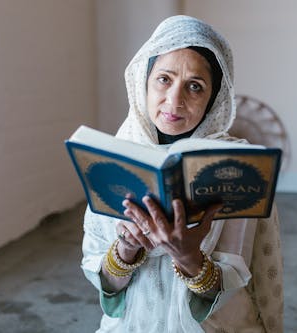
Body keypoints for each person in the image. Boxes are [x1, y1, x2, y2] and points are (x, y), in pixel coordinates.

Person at [81, 15, 283, 333]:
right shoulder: (113, 161)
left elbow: (232, 283)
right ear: (143, 82)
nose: (174, 100)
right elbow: (105, 283)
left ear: (213, 99)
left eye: (195, 86)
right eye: (164, 79)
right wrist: (127, 248)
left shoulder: (231, 168)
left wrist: (189, 257)